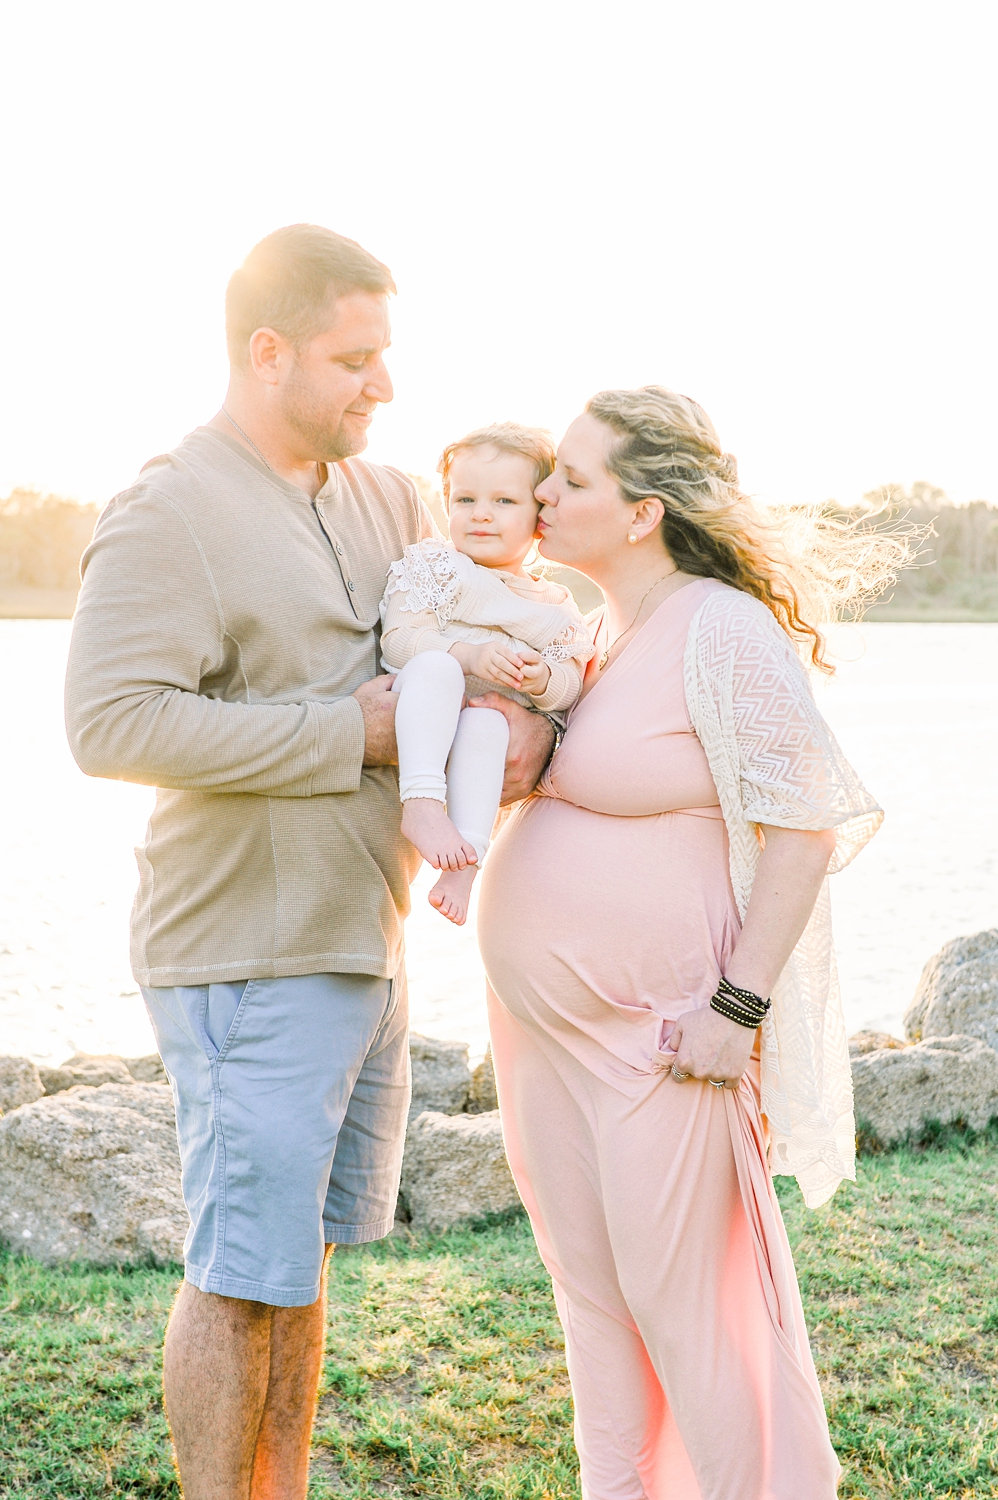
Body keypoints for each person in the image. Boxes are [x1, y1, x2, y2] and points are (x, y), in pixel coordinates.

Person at [63, 224, 553, 1500]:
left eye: (385, 355)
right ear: (265, 350)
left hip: (363, 936)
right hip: (243, 955)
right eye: (354, 358)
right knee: (239, 1272)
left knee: (303, 1259)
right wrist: (355, 732)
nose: (382, 384)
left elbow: (486, 620)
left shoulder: (388, 495)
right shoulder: (170, 506)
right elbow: (108, 724)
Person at [477, 386, 894, 1499]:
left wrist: (736, 1012)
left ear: (641, 512)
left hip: (664, 1042)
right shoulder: (598, 632)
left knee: (690, 1310)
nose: (542, 490)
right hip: (556, 1044)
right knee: (595, 1300)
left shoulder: (719, 627)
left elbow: (804, 827)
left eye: (570, 476)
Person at [380, 423, 594, 924]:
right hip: (422, 708)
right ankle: (424, 803)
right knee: (437, 666)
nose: (479, 513)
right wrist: (468, 656)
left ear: (540, 517)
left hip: (478, 726)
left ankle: (466, 861)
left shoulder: (552, 605)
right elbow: (397, 642)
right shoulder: (434, 568)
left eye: (503, 501)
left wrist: (542, 680)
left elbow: (570, 686)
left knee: (490, 724)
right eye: (464, 499)